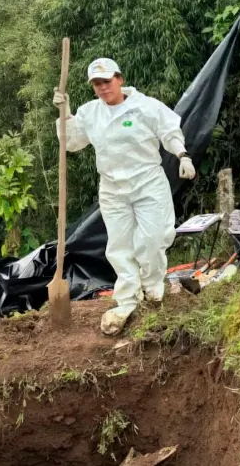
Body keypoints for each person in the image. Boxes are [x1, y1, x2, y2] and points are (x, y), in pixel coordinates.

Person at [53, 58, 196, 335]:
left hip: (147, 183)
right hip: (112, 189)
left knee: (152, 239)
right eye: (96, 84)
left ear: (119, 79)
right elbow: (71, 143)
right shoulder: (90, 112)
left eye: (106, 81)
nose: (102, 88)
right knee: (119, 246)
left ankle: (154, 291)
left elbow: (169, 131)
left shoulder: (145, 106)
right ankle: (127, 300)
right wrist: (65, 114)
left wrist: (182, 155)